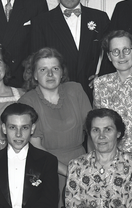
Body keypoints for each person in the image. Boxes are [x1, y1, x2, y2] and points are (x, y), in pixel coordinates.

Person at [28, 0, 110, 100]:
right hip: (56, 93)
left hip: (92, 92)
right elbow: (37, 62)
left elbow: (111, 52)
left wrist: (102, 76)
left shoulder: (100, 18)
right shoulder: (41, 22)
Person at [20, 47, 91, 190]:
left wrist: (93, 165)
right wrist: (70, 173)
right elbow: (36, 146)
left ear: (62, 72)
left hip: (83, 164)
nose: (50, 74)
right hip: (47, 168)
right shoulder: (27, 101)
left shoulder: (76, 90)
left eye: (55, 68)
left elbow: (93, 132)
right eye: (43, 70)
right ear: (34, 75)